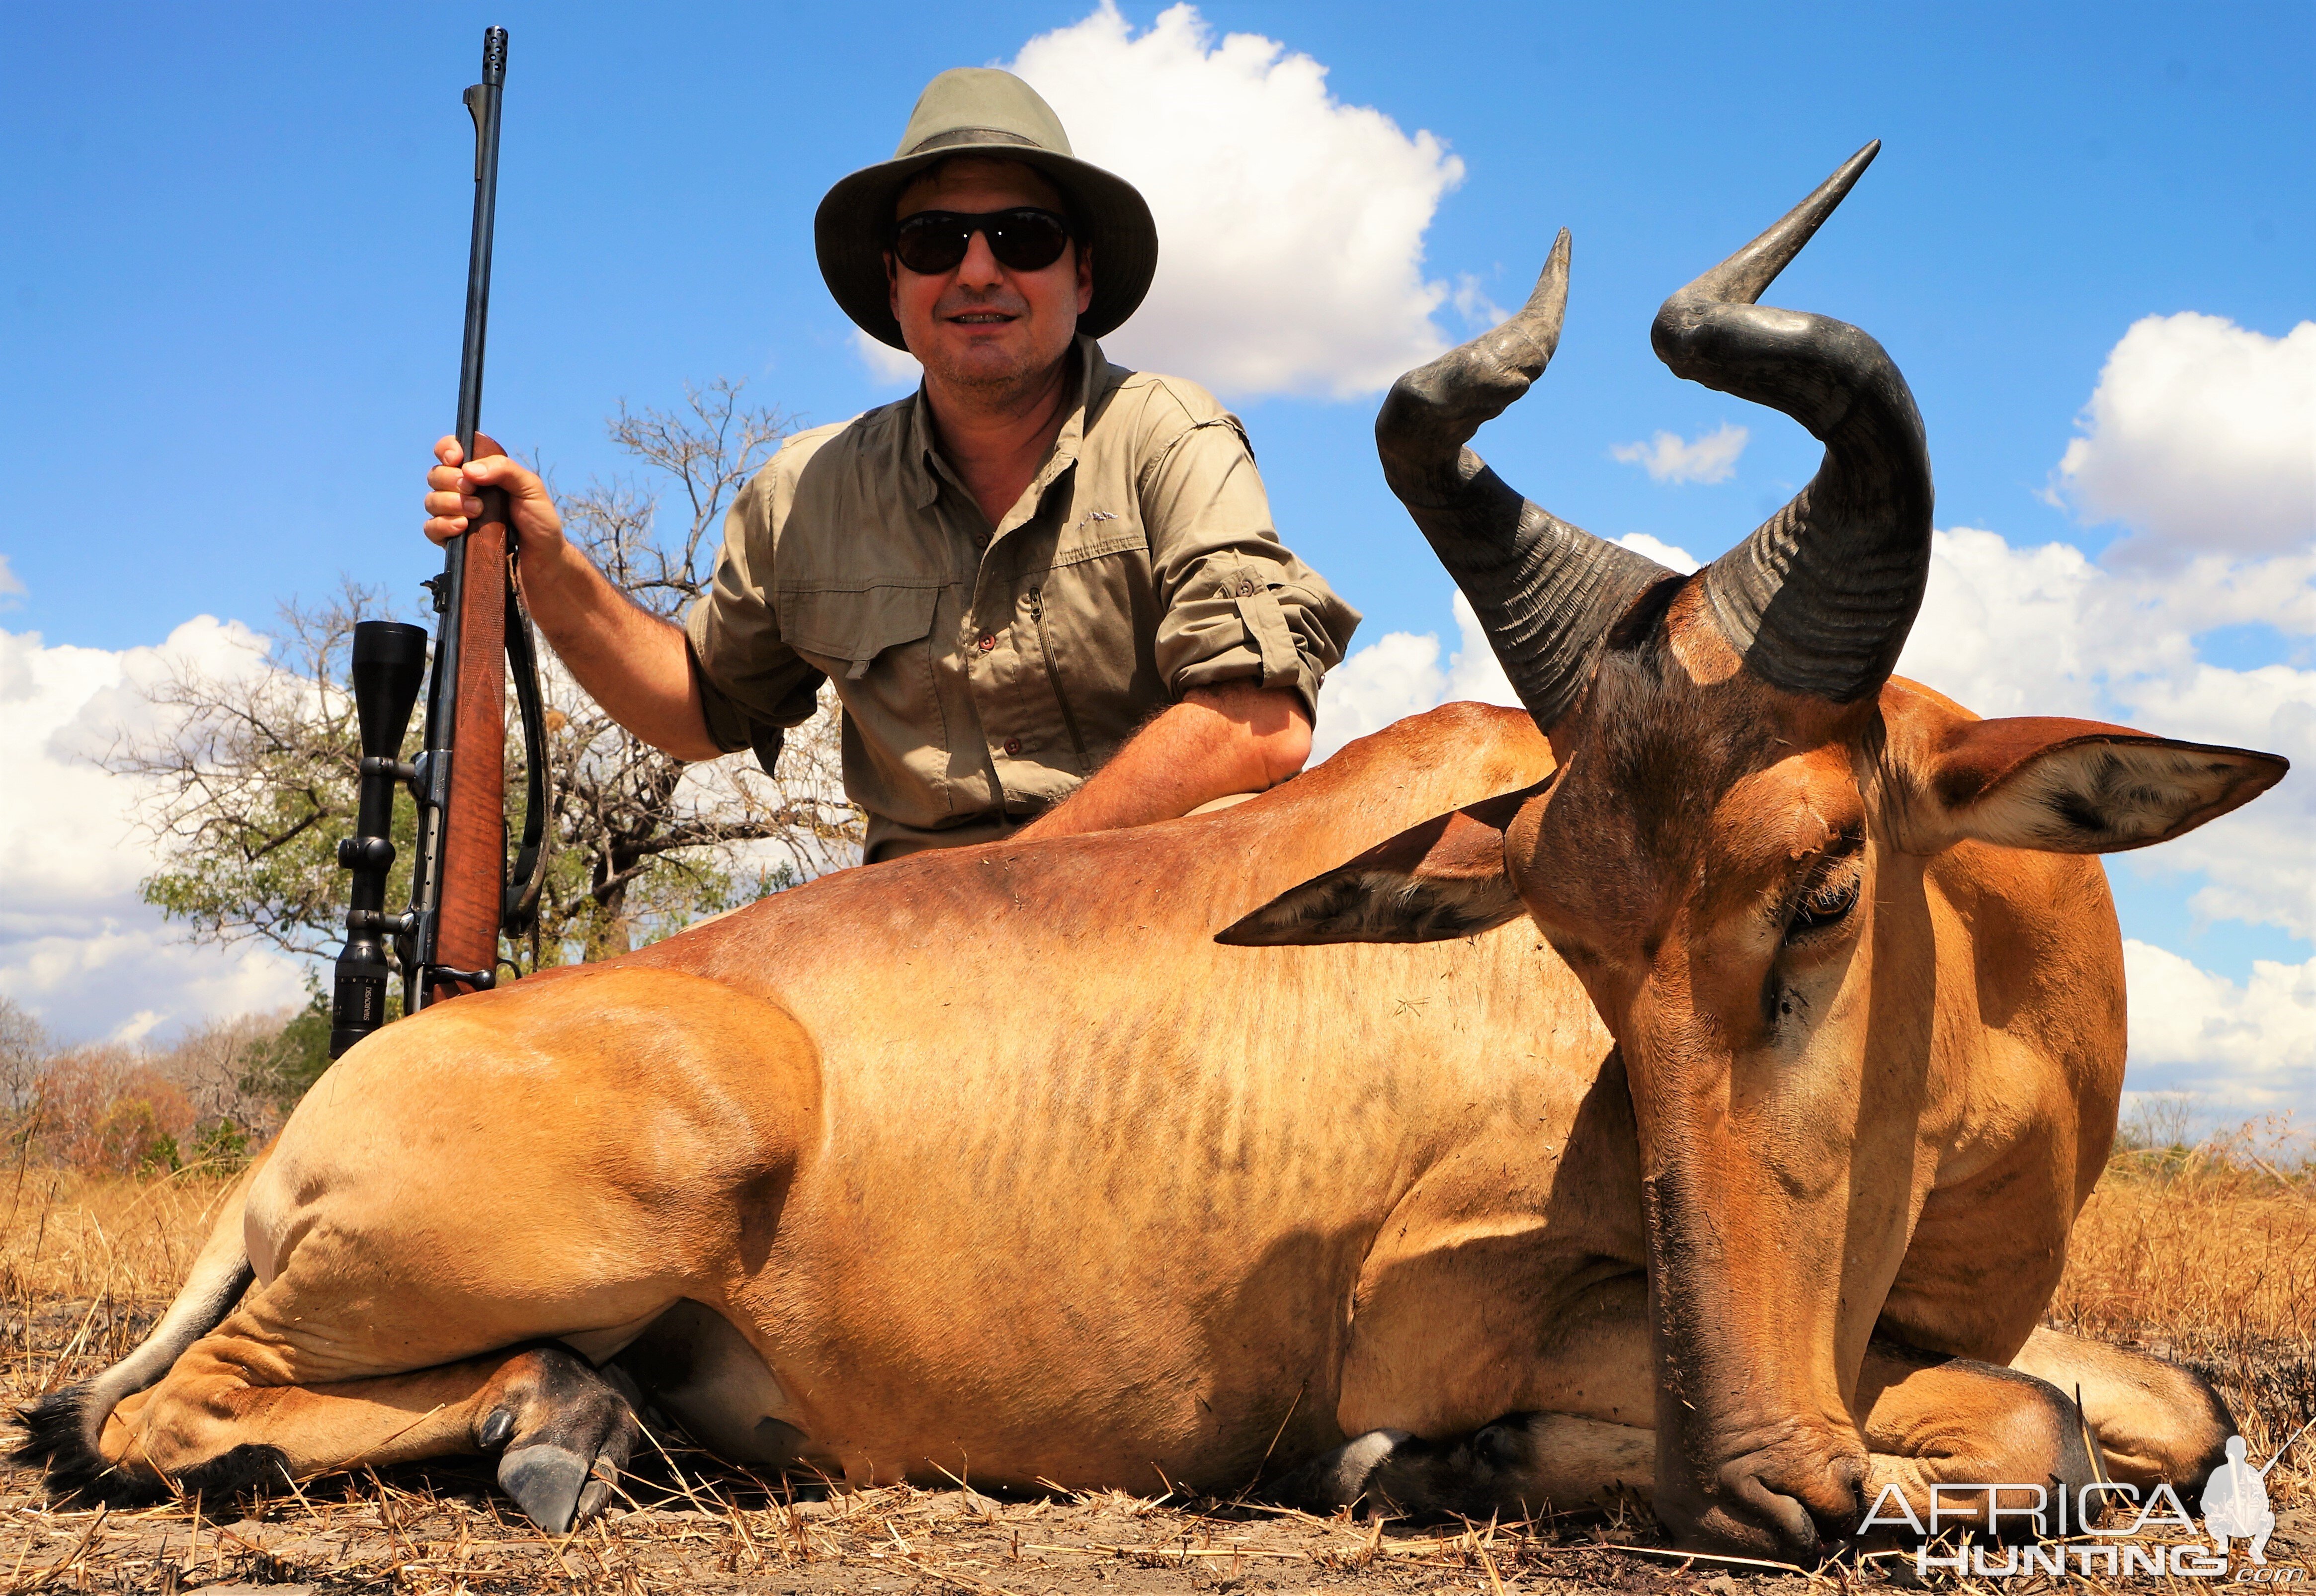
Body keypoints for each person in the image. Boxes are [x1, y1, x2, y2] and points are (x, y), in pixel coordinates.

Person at [423, 68, 1360, 862]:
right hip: (905, 959)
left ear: (1081, 277)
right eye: (935, 242)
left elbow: (1259, 719)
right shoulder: (803, 493)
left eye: (1024, 237)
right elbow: (700, 709)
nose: (980, 271)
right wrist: (548, 568)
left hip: (1154, 904)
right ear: (895, 285)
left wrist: (1006, 886)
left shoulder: (1169, 434)